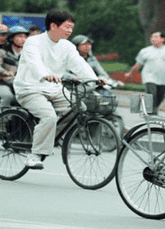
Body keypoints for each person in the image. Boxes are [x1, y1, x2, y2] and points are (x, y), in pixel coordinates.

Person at [14, 10, 101, 170]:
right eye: (67, 27)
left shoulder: (67, 46)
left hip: (54, 88)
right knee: (49, 117)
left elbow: (79, 64)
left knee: (79, 109)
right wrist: (45, 74)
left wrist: (95, 80)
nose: (70, 31)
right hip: (29, 88)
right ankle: (34, 155)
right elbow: (35, 63)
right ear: (53, 25)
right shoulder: (33, 42)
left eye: (72, 27)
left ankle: (49, 137)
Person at [126, 32, 165, 114]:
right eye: (152, 37)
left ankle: (154, 108)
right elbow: (138, 64)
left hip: (162, 78)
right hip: (149, 76)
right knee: (151, 93)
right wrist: (130, 73)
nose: (153, 39)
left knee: (160, 95)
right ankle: (150, 111)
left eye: (156, 37)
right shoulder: (145, 51)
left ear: (162, 39)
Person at [0, 26, 29, 109]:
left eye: (25, 37)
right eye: (20, 36)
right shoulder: (2, 52)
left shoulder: (28, 53)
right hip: (3, 82)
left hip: (21, 83)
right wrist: (5, 72)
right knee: (7, 96)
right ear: (11, 38)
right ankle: (3, 119)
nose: (23, 39)